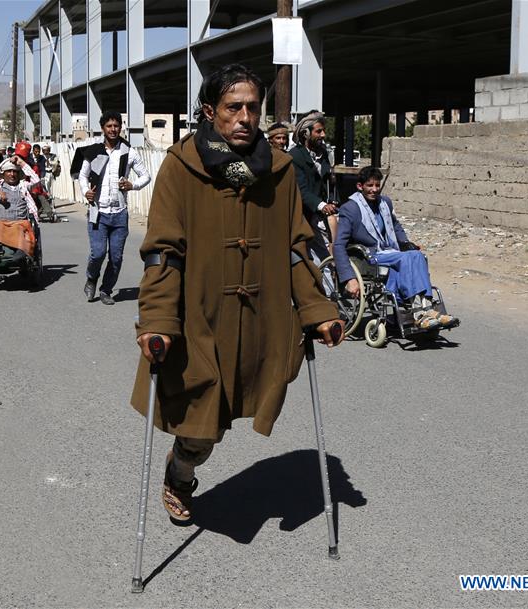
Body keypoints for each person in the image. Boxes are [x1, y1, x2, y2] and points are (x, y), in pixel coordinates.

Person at [130, 64, 343, 523]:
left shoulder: (281, 171)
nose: (246, 117)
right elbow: (163, 253)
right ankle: (180, 474)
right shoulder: (181, 166)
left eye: (253, 107)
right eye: (234, 107)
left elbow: (294, 251)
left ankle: (186, 462)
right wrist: (157, 320)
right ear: (210, 112)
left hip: (258, 321)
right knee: (201, 428)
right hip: (199, 319)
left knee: (234, 409)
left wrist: (316, 310)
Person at [333, 166, 458, 330]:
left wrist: (405, 243)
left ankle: (427, 308)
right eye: (369, 186)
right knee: (406, 258)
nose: (374, 190)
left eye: (377, 185)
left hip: (390, 251)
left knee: (416, 255)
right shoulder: (350, 208)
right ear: (360, 186)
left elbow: (395, 225)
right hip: (370, 255)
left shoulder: (385, 203)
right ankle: (419, 313)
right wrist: (349, 278)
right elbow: (339, 245)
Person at [78, 111, 151, 305]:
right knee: (98, 253)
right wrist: (86, 191)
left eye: (116, 126)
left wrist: (132, 185)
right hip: (98, 212)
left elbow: (146, 176)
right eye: (109, 126)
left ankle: (106, 290)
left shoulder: (128, 152)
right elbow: (82, 176)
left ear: (121, 127)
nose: (113, 129)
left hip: (119, 214)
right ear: (103, 128)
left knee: (116, 257)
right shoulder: (93, 151)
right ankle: (91, 279)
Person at [289, 111, 338, 261]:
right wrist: (321, 205)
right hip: (304, 216)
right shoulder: (295, 156)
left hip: (320, 216)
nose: (323, 135)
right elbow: (301, 189)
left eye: (323, 131)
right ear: (305, 133)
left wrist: (333, 200)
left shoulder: (323, 154)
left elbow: (329, 183)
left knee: (329, 254)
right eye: (318, 131)